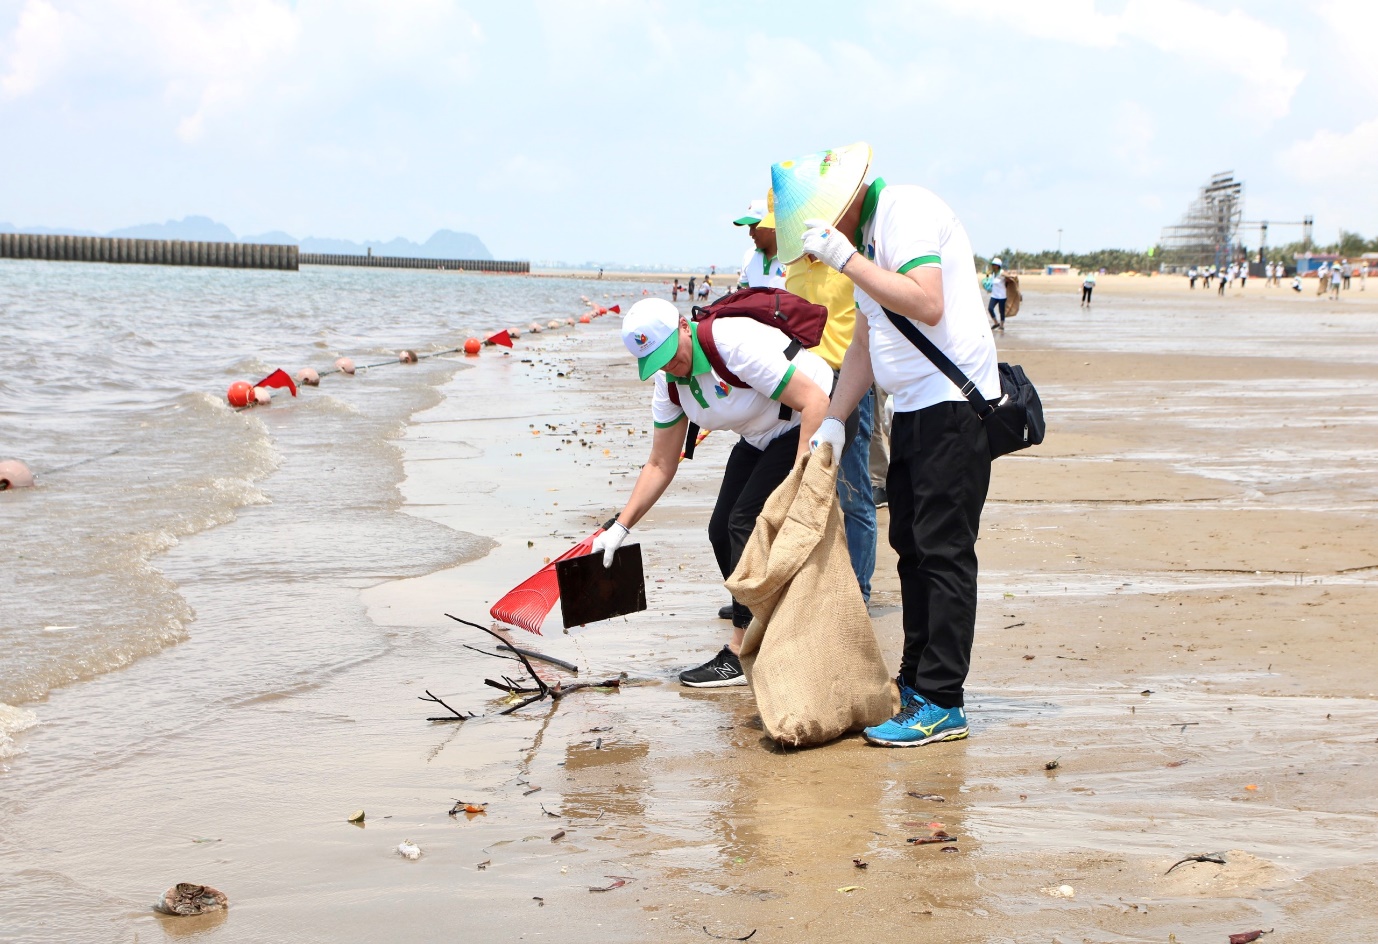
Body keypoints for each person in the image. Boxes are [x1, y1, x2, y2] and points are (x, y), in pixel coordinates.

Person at [774, 142, 998, 748]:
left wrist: (847, 260)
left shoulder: (905, 211)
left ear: (843, 203)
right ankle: (916, 683)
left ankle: (944, 700)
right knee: (913, 547)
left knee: (945, 552)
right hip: (912, 413)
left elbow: (927, 303)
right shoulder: (869, 244)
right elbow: (868, 345)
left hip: (953, 407)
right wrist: (836, 419)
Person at [596, 299, 835, 687]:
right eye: (657, 362)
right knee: (721, 529)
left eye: (671, 354)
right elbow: (660, 463)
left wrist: (799, 481)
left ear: (683, 327)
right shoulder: (668, 384)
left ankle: (742, 652)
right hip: (761, 436)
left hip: (817, 418)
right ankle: (766, 623)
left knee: (745, 521)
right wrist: (620, 527)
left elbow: (815, 400)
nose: (670, 367)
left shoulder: (731, 344)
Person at [781, 188, 878, 605]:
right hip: (804, 381)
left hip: (849, 376)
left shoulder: (850, 259)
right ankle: (813, 587)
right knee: (808, 482)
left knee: (853, 488)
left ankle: (858, 592)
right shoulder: (793, 270)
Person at [733, 198, 787, 289]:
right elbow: (747, 294)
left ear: (772, 224)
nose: (750, 233)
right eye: (749, 228)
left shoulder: (793, 258)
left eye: (754, 227)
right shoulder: (748, 256)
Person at [985, 257, 1008, 330]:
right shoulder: (993, 273)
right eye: (992, 264)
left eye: (994, 265)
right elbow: (990, 281)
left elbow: (1009, 279)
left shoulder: (1002, 272)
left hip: (1002, 295)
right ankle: (996, 323)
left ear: (998, 266)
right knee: (990, 308)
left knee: (1002, 311)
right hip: (994, 295)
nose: (992, 266)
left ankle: (1002, 325)